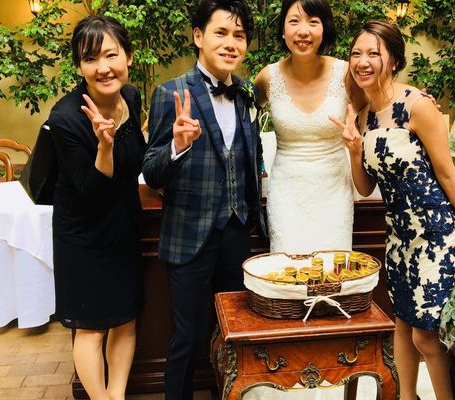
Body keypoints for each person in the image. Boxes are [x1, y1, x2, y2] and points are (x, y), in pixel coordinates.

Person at [330, 21, 455, 400]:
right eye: (356, 53)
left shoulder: (418, 106)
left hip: (437, 234)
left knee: (426, 336)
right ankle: (406, 396)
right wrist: (354, 149)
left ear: (395, 60)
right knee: (401, 323)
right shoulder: (364, 116)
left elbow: (448, 176)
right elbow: (365, 187)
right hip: (400, 238)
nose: (362, 61)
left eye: (374, 53)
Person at [142, 1, 265, 399]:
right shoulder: (170, 93)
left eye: (239, 35)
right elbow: (152, 170)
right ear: (198, 36)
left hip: (236, 232)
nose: (231, 43)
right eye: (221, 33)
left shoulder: (246, 93)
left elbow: (249, 157)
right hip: (189, 236)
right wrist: (177, 146)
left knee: (232, 334)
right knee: (188, 336)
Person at [50, 16, 145, 400]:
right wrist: (104, 147)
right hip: (83, 234)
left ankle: (116, 395)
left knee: (125, 320)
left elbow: (136, 162)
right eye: (90, 59)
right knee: (91, 328)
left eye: (111, 55)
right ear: (79, 66)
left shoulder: (132, 98)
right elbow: (90, 191)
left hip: (123, 225)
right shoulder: (65, 118)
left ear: (129, 57)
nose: (103, 67)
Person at [254, 0, 354, 254]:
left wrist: (413, 102)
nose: (303, 31)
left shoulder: (345, 73)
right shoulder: (268, 77)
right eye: (294, 21)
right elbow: (242, 115)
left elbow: (377, 105)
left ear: (324, 28)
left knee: (332, 270)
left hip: (334, 193)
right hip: (286, 194)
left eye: (313, 22)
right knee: (287, 268)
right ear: (283, 30)